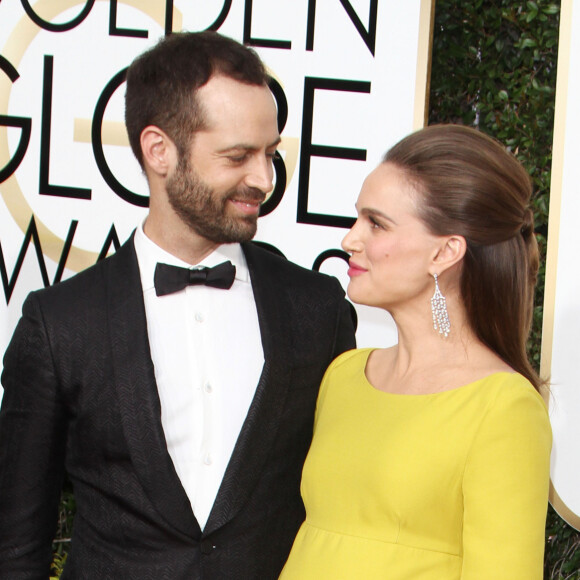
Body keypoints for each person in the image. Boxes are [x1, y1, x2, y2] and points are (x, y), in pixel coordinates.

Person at [0, 32, 356, 578]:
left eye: (269, 154)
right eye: (237, 156)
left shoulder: (317, 309)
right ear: (158, 150)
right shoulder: (60, 325)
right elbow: (17, 545)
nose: (263, 179)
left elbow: (342, 506)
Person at [280, 124, 552, 579]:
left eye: (376, 223)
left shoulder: (503, 408)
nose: (350, 239)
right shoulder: (344, 375)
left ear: (444, 253)